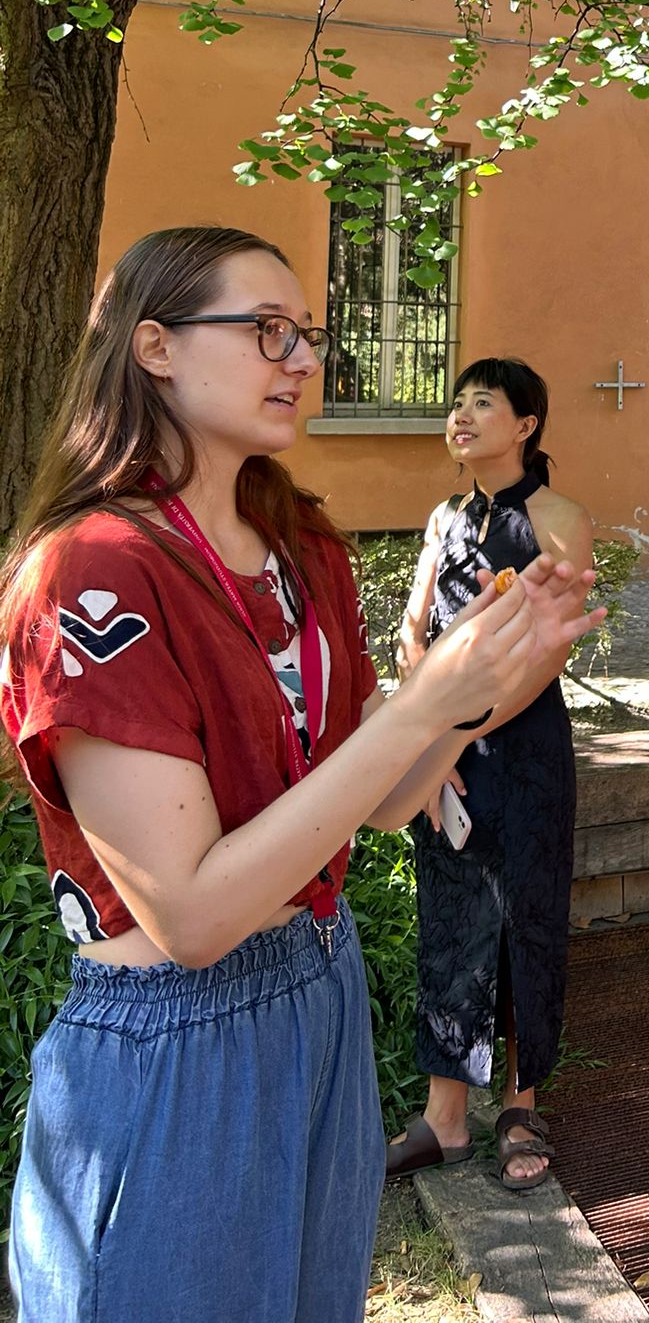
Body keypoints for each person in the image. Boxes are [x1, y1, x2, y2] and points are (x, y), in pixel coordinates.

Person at [0, 228, 602, 1323]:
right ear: (155, 347)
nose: (303, 357)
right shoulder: (94, 568)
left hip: (320, 988)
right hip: (172, 1035)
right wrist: (427, 699)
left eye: (309, 333)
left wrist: (482, 683)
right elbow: (189, 912)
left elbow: (380, 800)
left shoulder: (298, 537)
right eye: (267, 330)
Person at [386, 357, 591, 1192]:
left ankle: (519, 1104)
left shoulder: (561, 516)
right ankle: (444, 1119)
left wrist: (460, 729)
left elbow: (549, 651)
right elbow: (412, 630)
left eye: (483, 403)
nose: (462, 416)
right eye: (458, 403)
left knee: (527, 919)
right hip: (446, 750)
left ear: (527, 424)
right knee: (450, 916)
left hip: (526, 749)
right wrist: (428, 743)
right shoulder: (442, 517)